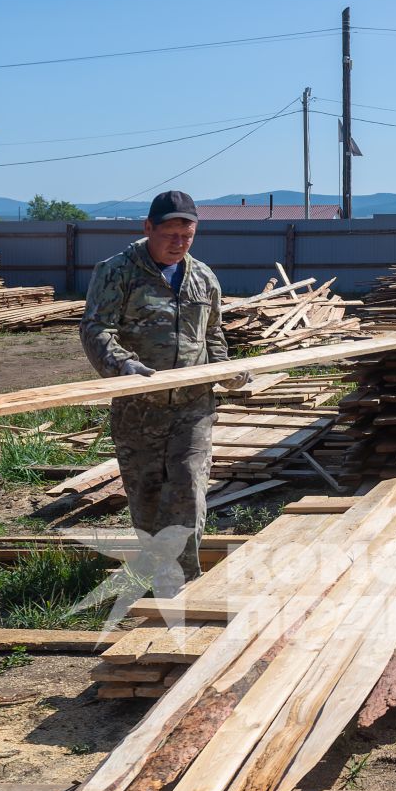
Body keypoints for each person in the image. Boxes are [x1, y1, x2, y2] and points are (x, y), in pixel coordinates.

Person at [79, 190, 228, 595]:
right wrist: (123, 366)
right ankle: (156, 568)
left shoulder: (203, 277)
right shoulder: (117, 272)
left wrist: (225, 370)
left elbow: (212, 333)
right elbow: (96, 328)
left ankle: (181, 583)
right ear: (148, 228)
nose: (179, 243)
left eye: (188, 235)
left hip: (192, 406)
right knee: (146, 494)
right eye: (171, 234)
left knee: (188, 487)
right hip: (138, 408)